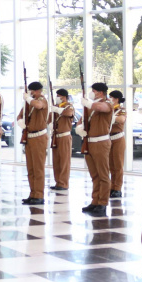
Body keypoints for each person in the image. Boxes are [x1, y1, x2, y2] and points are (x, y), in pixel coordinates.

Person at [77, 82, 113, 217]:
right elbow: (81, 121)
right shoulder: (90, 107)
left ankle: (102, 203)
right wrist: (79, 128)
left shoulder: (107, 104)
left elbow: (100, 107)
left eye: (94, 91)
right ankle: (95, 201)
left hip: (101, 142)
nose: (92, 93)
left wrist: (87, 103)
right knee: (94, 175)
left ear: (101, 93)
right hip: (89, 142)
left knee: (103, 175)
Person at [18, 81, 50, 205]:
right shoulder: (29, 103)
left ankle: (39, 195)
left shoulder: (42, 100)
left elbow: (38, 106)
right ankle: (32, 194)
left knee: (38, 168)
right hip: (29, 137)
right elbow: (20, 115)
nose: (30, 93)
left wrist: (28, 99)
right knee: (30, 168)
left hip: (39, 137)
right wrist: (20, 121)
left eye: (32, 91)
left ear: (37, 91)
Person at [50, 88, 75, 191]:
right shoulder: (56, 107)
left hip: (64, 136)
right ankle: (58, 182)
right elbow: (49, 118)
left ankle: (64, 183)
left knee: (64, 161)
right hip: (56, 136)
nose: (57, 98)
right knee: (56, 161)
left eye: (58, 96)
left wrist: (57, 110)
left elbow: (68, 113)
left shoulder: (69, 106)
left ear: (64, 97)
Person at [108, 90, 127, 199]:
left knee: (118, 165)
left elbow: (121, 119)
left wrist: (112, 117)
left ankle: (117, 188)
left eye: (111, 97)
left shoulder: (121, 110)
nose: (110, 99)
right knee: (111, 164)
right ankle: (112, 186)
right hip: (108, 138)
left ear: (117, 99)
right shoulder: (109, 109)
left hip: (118, 138)